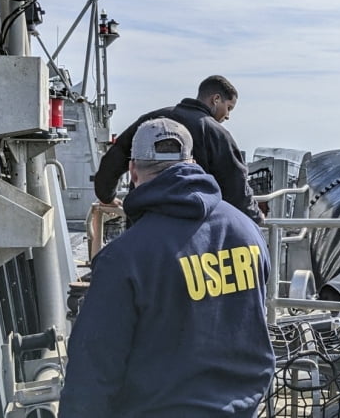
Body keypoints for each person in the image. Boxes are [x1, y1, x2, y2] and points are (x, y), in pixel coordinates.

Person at [59, 118, 275, 418]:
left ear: (133, 170)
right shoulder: (248, 233)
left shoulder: (124, 258)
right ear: (194, 163)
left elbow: (93, 372)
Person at [94, 75, 264, 224]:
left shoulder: (151, 120)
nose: (227, 115)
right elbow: (236, 186)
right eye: (229, 108)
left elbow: (115, 157)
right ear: (216, 99)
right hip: (192, 232)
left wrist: (106, 196)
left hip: (143, 225)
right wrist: (256, 217)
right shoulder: (217, 134)